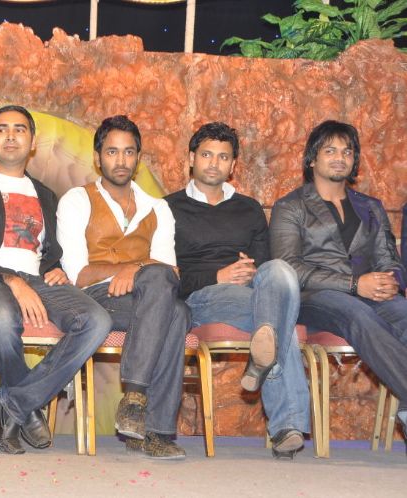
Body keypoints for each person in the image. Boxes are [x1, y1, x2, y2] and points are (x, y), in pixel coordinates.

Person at [0, 105, 111, 454]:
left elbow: (51, 250)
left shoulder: (47, 195)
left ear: (32, 142)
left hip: (37, 280)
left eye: (19, 129)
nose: (11, 135)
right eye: (2, 129)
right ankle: (27, 409)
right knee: (0, 319)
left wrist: (57, 266)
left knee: (96, 320)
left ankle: (14, 403)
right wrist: (11, 280)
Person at [164, 122, 310, 459]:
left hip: (252, 292)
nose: (213, 163)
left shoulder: (249, 208)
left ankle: (262, 358)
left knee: (280, 270)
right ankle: (286, 424)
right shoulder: (167, 208)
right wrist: (218, 274)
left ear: (233, 165)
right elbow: (166, 276)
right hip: (203, 297)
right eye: (206, 155)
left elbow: (264, 266)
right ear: (191, 159)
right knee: (280, 320)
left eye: (222, 157)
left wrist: (251, 272)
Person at [57, 115, 189, 459]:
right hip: (97, 299)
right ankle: (154, 426)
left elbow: (169, 271)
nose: (121, 160)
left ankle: (136, 405)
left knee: (174, 307)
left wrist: (137, 268)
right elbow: (78, 274)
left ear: (138, 158)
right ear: (97, 157)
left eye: (129, 152)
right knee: (175, 313)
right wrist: (130, 268)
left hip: (146, 298)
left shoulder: (158, 208)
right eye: (112, 152)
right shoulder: (77, 200)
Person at [269, 120, 407, 442]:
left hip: (371, 295)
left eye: (347, 152)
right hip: (315, 298)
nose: (340, 158)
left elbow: (389, 258)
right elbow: (289, 268)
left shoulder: (370, 207)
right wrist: (355, 284)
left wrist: (390, 281)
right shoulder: (290, 206)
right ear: (312, 159)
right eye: (330, 150)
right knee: (356, 312)